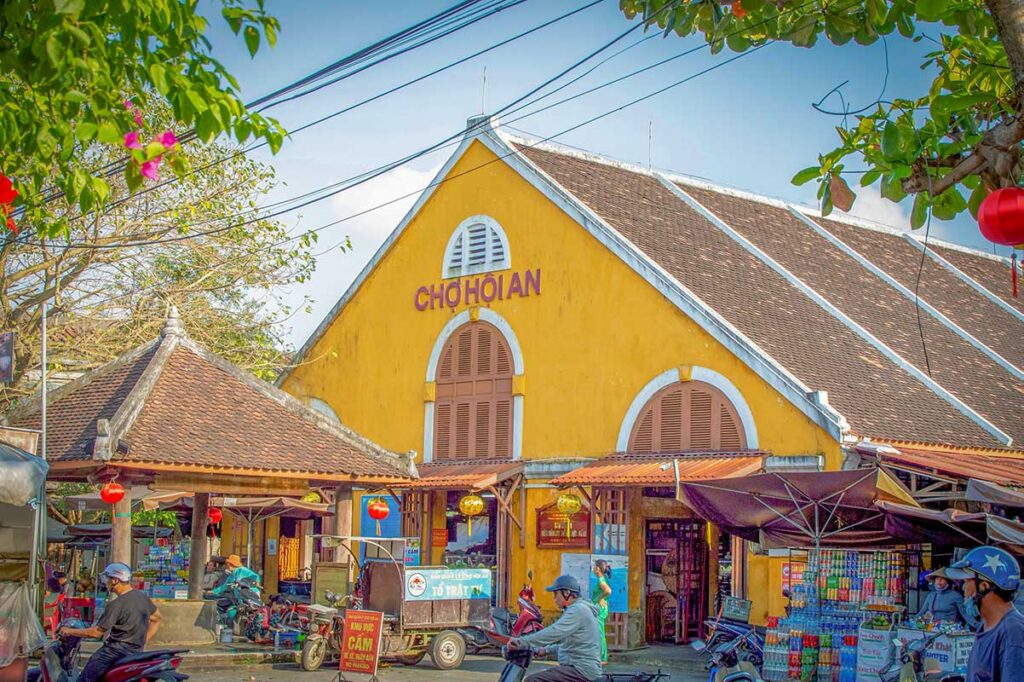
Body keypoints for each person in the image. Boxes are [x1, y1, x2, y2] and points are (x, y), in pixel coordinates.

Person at [59, 562, 162, 682]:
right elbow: (157, 619)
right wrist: (143, 641)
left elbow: (96, 632)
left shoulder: (116, 605)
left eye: (107, 578)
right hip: (136, 651)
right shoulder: (142, 598)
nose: (105, 582)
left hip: (114, 651)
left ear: (115, 580)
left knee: (85, 679)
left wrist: (69, 631)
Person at [946, 546, 1024, 681]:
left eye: (966, 582)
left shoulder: (1012, 632)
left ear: (983, 586)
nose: (963, 589)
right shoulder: (987, 626)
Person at [508, 575, 603, 682]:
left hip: (581, 670)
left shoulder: (578, 610)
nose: (554, 599)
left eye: (556, 594)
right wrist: (545, 650)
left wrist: (521, 642)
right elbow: (569, 645)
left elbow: (554, 632)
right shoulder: (579, 609)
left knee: (532, 680)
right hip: (578, 668)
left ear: (566, 593)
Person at [211, 554, 261, 618]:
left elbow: (255, 576)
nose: (227, 566)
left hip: (250, 597)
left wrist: (257, 582)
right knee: (232, 612)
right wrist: (214, 591)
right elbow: (224, 586)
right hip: (240, 600)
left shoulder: (243, 570)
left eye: (228, 564)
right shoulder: (231, 575)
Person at [591, 560, 612, 665]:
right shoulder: (604, 578)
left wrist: (600, 598)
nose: (593, 568)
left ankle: (603, 658)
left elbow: (608, 591)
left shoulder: (601, 580)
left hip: (599, 609)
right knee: (598, 633)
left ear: (598, 568)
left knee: (600, 634)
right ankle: (599, 656)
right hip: (600, 609)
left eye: (594, 566)